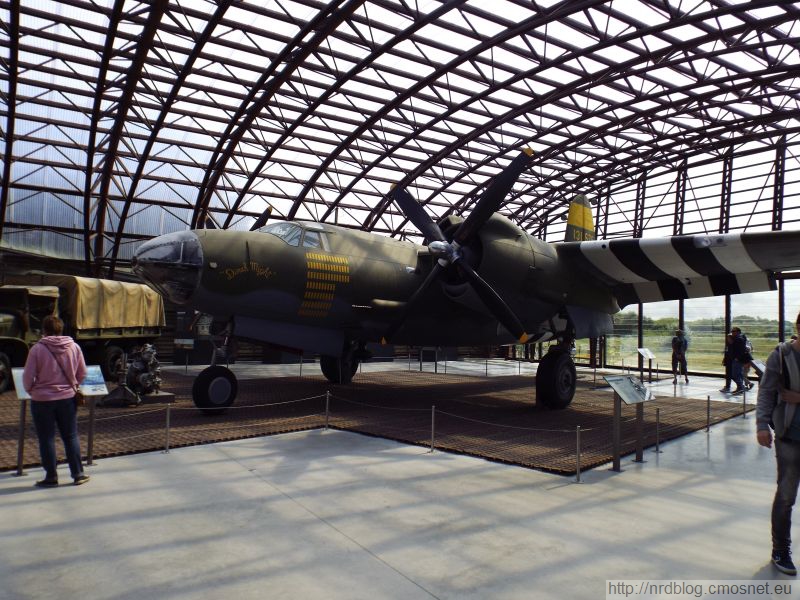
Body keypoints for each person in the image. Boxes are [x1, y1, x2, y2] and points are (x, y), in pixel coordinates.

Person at [22, 315, 90, 487]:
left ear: (44, 330)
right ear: (61, 329)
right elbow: (82, 373)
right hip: (67, 399)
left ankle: (51, 476)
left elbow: (28, 377)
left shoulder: (37, 349)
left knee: (46, 438)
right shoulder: (74, 347)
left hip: (42, 400)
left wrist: (33, 390)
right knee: (71, 436)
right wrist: (73, 385)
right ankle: (78, 474)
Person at [757, 311, 800, 575]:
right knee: (786, 495)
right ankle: (780, 549)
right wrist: (762, 424)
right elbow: (767, 390)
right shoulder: (782, 355)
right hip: (789, 436)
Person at [730, 326, 749, 394]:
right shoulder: (740, 338)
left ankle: (740, 387)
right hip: (738, 359)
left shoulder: (739, 339)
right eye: (732, 331)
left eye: (733, 331)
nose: (732, 333)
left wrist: (737, 358)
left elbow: (741, 350)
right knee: (739, 374)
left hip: (738, 360)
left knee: (734, 375)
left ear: (738, 332)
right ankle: (740, 387)